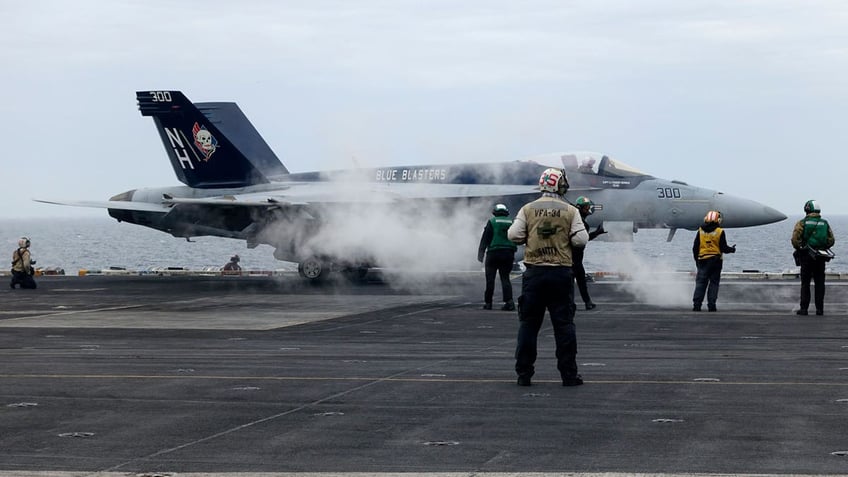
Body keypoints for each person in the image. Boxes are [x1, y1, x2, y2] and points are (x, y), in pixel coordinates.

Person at [508, 168, 589, 387]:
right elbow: (581, 240)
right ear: (557, 184)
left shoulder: (527, 209)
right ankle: (568, 375)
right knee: (564, 326)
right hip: (560, 274)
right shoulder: (570, 211)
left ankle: (523, 374)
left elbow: (514, 235)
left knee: (528, 325)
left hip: (534, 274)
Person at [791, 200, 835, 316]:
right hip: (820, 257)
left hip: (806, 257)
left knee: (805, 283)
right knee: (820, 282)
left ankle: (804, 309)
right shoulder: (824, 223)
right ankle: (819, 309)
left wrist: (800, 248)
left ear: (807, 210)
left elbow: (795, 239)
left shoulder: (802, 223)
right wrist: (822, 246)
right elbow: (831, 240)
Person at [692, 210, 736, 312]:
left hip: (702, 260)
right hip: (715, 262)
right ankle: (711, 306)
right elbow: (723, 248)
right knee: (714, 283)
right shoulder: (720, 232)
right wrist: (732, 250)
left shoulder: (700, 231)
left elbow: (695, 248)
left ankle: (696, 305)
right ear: (718, 220)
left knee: (700, 283)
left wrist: (697, 262)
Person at [478, 203, 518, 310]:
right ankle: (509, 302)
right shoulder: (512, 222)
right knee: (505, 278)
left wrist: (480, 254)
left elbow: (485, 238)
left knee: (490, 279)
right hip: (508, 253)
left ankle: (488, 303)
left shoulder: (492, 221)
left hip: (493, 253)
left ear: (495, 212)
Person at [572, 196, 606, 310]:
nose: (588, 210)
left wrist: (596, 233)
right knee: (576, 282)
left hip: (574, 258)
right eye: (586, 208)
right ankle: (586, 302)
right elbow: (584, 239)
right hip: (572, 258)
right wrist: (596, 233)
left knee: (578, 281)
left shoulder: (575, 221)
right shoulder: (580, 223)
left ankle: (586, 302)